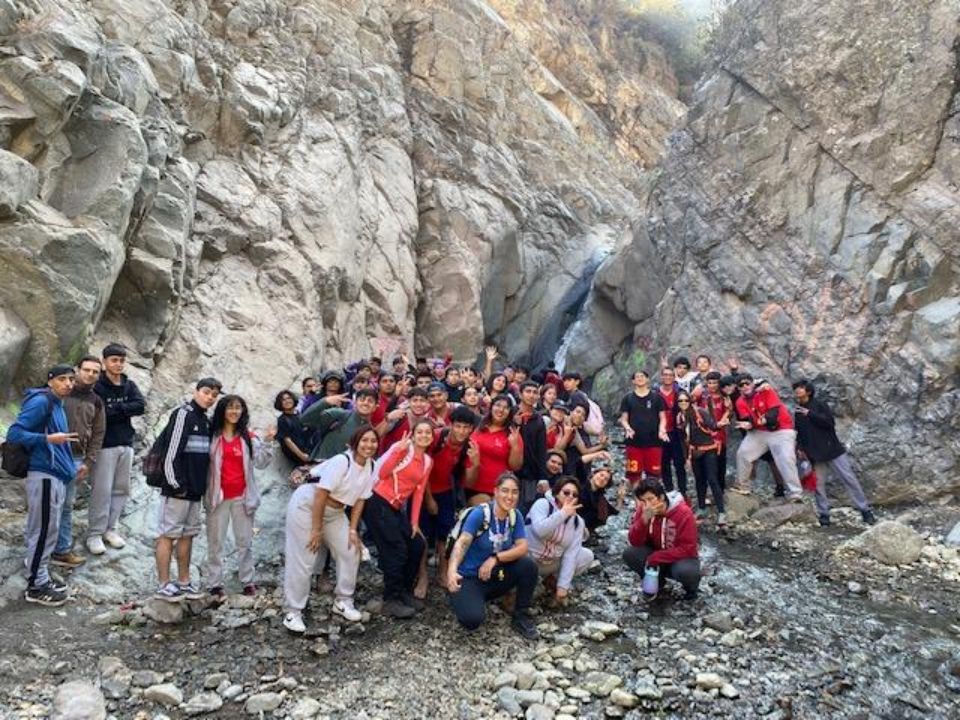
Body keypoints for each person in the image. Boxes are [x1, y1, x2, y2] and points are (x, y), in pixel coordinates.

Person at [282, 426, 379, 633]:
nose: (368, 445)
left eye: (373, 441)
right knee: (305, 555)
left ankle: (343, 600)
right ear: (355, 442)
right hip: (307, 506)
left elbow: (361, 499)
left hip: (335, 512)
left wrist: (353, 530)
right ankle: (293, 611)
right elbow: (320, 494)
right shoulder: (341, 462)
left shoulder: (371, 466)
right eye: (364, 440)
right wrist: (316, 530)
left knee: (350, 549)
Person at [8, 364, 79, 606]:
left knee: (45, 528)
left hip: (54, 475)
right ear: (50, 382)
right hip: (44, 474)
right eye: (62, 379)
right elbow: (15, 433)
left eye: (71, 379)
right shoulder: (42, 402)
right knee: (44, 531)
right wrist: (47, 439)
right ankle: (36, 586)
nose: (68, 383)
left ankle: (40, 572)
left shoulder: (58, 403)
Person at [446, 472, 539, 639]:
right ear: (495, 492)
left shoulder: (514, 515)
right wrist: (451, 570)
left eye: (514, 492)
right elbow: (463, 542)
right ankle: (462, 597)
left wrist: (495, 558)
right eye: (505, 491)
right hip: (470, 577)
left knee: (528, 566)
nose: (509, 496)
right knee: (472, 620)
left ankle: (521, 615)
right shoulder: (480, 513)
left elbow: (523, 547)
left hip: (494, 573)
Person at [154, 377, 221, 600]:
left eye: (214, 394)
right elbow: (170, 452)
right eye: (206, 392)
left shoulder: (206, 420)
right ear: (196, 392)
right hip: (178, 489)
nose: (210, 397)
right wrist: (175, 484)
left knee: (188, 535)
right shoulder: (183, 414)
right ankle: (163, 583)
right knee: (167, 534)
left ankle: (184, 581)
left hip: (195, 489)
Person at [363, 419, 434, 618]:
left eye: (428, 433)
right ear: (413, 434)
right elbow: (383, 473)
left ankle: (403, 590)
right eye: (419, 432)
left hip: (396, 508)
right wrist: (398, 452)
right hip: (378, 502)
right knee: (396, 549)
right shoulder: (403, 448)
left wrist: (414, 523)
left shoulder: (427, 461)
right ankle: (390, 599)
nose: (424, 436)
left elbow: (418, 492)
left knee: (417, 544)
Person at [205, 395, 275, 597]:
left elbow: (261, 463)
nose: (234, 412)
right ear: (222, 411)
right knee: (215, 542)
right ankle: (215, 583)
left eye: (238, 408)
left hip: (242, 497)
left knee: (244, 542)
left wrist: (269, 441)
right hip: (217, 497)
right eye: (230, 408)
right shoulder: (213, 435)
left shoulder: (248, 437)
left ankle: (247, 581)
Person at [792, 380, 876, 527]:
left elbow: (829, 423)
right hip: (815, 454)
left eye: (801, 388)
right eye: (796, 388)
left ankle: (865, 510)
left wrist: (810, 414)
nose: (798, 391)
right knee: (818, 485)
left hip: (833, 450)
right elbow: (800, 432)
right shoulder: (798, 411)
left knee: (849, 478)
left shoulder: (819, 405)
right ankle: (824, 514)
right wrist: (799, 448)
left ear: (808, 391)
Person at [89, 343, 145, 555]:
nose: (119, 364)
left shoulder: (128, 385)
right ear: (104, 362)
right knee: (101, 490)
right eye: (114, 360)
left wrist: (117, 408)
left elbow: (140, 405)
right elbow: (101, 414)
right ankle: (94, 534)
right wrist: (124, 409)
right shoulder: (98, 385)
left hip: (126, 443)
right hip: (104, 445)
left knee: (121, 489)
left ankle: (110, 529)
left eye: (122, 360)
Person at [418, 407, 479, 593]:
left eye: (466, 427)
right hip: (423, 489)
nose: (461, 431)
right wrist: (429, 499)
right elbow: (421, 469)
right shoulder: (435, 437)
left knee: (446, 535)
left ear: (471, 429)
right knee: (422, 536)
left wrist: (475, 463)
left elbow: (469, 482)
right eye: (458, 426)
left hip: (447, 492)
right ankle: (422, 577)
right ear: (450, 425)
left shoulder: (470, 447)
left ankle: (444, 572)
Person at [52, 356, 105, 568]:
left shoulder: (96, 401)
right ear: (78, 370)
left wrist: (89, 461)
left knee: (66, 506)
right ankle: (40, 550)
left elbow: (98, 433)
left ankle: (62, 550)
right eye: (86, 370)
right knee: (47, 504)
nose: (90, 374)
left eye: (95, 372)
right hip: (52, 455)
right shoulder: (61, 392)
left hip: (76, 458)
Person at [623, 479, 700, 600]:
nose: (647, 505)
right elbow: (634, 541)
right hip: (655, 555)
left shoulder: (683, 513)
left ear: (662, 497)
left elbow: (688, 548)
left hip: (679, 558)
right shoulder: (644, 511)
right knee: (630, 553)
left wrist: (656, 557)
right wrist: (643, 521)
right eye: (643, 501)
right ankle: (657, 582)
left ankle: (691, 589)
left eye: (650, 499)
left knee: (686, 572)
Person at [732, 375, 803, 501]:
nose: (745, 387)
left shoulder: (766, 391)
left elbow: (773, 414)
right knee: (743, 453)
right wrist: (748, 425)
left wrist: (760, 421)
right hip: (760, 431)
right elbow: (749, 420)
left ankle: (795, 492)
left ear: (752, 383)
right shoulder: (740, 402)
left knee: (786, 458)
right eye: (741, 385)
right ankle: (743, 486)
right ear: (738, 389)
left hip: (782, 429)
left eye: (747, 383)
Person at [525, 476, 594, 606]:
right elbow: (540, 530)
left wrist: (563, 586)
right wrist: (563, 514)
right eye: (566, 492)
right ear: (557, 493)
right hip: (528, 559)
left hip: (550, 563)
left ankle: (552, 582)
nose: (570, 496)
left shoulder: (577, 522)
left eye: (575, 494)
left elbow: (571, 554)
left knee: (586, 555)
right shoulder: (542, 504)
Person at [676, 391, 726, 528]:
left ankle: (722, 511)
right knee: (699, 480)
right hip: (694, 451)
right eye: (680, 401)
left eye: (685, 400)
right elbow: (682, 440)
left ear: (690, 401)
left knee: (712, 479)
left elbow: (712, 425)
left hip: (709, 449)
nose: (683, 403)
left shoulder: (700, 412)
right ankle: (702, 507)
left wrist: (720, 423)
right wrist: (686, 457)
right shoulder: (680, 417)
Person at [469, 396, 523, 505]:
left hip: (497, 489)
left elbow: (515, 466)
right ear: (491, 407)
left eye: (506, 408)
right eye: (498, 405)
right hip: (471, 483)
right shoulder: (478, 427)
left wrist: (515, 447)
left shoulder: (513, 433)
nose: (501, 410)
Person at [619, 370, 669, 486]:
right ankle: (638, 502)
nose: (640, 378)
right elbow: (624, 418)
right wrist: (627, 428)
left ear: (647, 379)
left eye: (642, 376)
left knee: (653, 474)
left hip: (654, 442)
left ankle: (651, 500)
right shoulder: (628, 398)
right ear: (633, 381)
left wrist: (662, 429)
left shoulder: (657, 398)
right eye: (637, 377)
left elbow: (663, 417)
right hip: (634, 442)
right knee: (633, 474)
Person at [302, 387, 378, 461]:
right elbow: (305, 420)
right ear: (355, 403)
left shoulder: (370, 432)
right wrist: (325, 402)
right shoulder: (339, 415)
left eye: (370, 401)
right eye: (362, 400)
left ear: (375, 407)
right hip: (320, 466)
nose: (365, 403)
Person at [515, 381, 547, 512]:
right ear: (520, 394)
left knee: (525, 508)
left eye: (535, 393)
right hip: (511, 469)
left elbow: (541, 449)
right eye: (528, 392)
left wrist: (543, 477)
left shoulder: (539, 419)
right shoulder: (511, 413)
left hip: (530, 472)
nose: (531, 395)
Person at [657, 366, 688, 498]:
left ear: (674, 377)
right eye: (665, 375)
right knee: (664, 463)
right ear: (661, 377)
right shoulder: (655, 393)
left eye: (670, 375)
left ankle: (683, 491)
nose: (668, 377)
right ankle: (669, 490)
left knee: (679, 463)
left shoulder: (679, 393)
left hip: (676, 432)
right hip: (661, 432)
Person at [377, 386, 431, 454]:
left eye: (422, 400)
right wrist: (388, 418)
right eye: (415, 400)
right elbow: (377, 434)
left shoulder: (427, 422)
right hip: (388, 459)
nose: (418, 404)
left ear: (427, 402)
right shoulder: (399, 416)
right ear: (408, 402)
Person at [579, 464, 618, 535]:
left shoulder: (600, 498)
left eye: (606, 479)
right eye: (601, 475)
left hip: (583, 532)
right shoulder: (580, 485)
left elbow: (614, 511)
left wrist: (620, 497)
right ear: (594, 474)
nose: (602, 479)